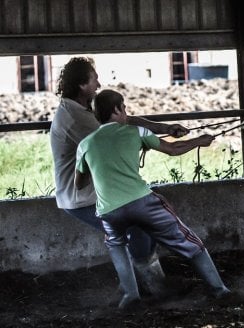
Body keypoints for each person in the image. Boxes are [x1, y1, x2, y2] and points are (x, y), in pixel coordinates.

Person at [75, 89, 230, 309]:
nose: (126, 113)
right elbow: (173, 149)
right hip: (141, 202)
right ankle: (219, 290)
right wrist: (199, 141)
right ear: (118, 109)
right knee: (188, 240)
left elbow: (79, 184)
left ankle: (130, 296)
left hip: (109, 210)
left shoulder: (85, 144)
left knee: (116, 245)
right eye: (125, 108)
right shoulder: (135, 131)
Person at [50, 57, 188, 295]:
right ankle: (152, 286)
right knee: (139, 226)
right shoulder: (76, 118)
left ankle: (138, 285)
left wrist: (163, 128)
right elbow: (116, 137)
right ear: (82, 85)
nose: (98, 83)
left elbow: (124, 120)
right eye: (94, 79)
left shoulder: (84, 109)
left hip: (100, 190)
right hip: (82, 195)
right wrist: (149, 139)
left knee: (141, 223)